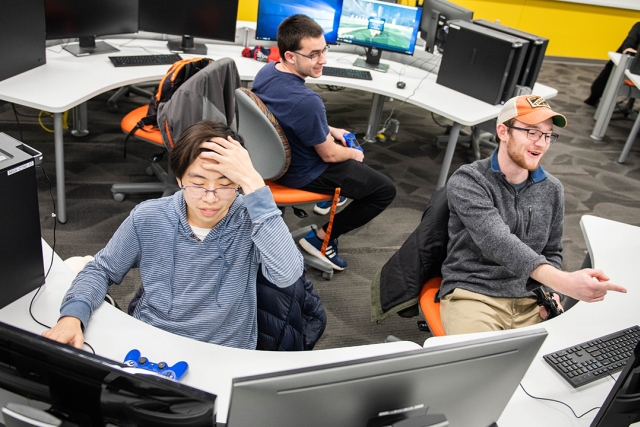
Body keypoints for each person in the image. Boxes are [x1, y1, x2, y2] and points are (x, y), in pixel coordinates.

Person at [42, 120, 304, 350]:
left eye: (225, 185)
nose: (210, 199)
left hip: (223, 351)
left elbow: (288, 274)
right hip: (153, 340)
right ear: (179, 178)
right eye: (198, 184)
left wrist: (254, 184)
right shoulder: (150, 217)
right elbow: (101, 270)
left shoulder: (251, 218)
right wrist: (71, 316)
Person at [439, 94, 627, 335]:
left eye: (548, 135)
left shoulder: (552, 189)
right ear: (503, 131)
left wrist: (554, 293)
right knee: (481, 364)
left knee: (565, 362)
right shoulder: (470, 180)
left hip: (532, 299)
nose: (541, 143)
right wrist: (564, 282)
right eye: (532, 132)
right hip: (475, 293)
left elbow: (551, 251)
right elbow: (498, 242)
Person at [251, 14, 396, 271]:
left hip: (271, 158)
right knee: (383, 190)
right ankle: (321, 239)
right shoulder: (308, 101)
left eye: (324, 50)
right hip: (302, 171)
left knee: (345, 145)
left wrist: (329, 128)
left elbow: (284, 114)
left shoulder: (267, 71)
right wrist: (353, 155)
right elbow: (329, 155)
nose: (323, 60)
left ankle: (333, 197)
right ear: (290, 56)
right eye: (314, 54)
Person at [584, 22, 640, 106]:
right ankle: (594, 98)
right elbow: (629, 45)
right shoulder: (638, 26)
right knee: (608, 73)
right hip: (626, 58)